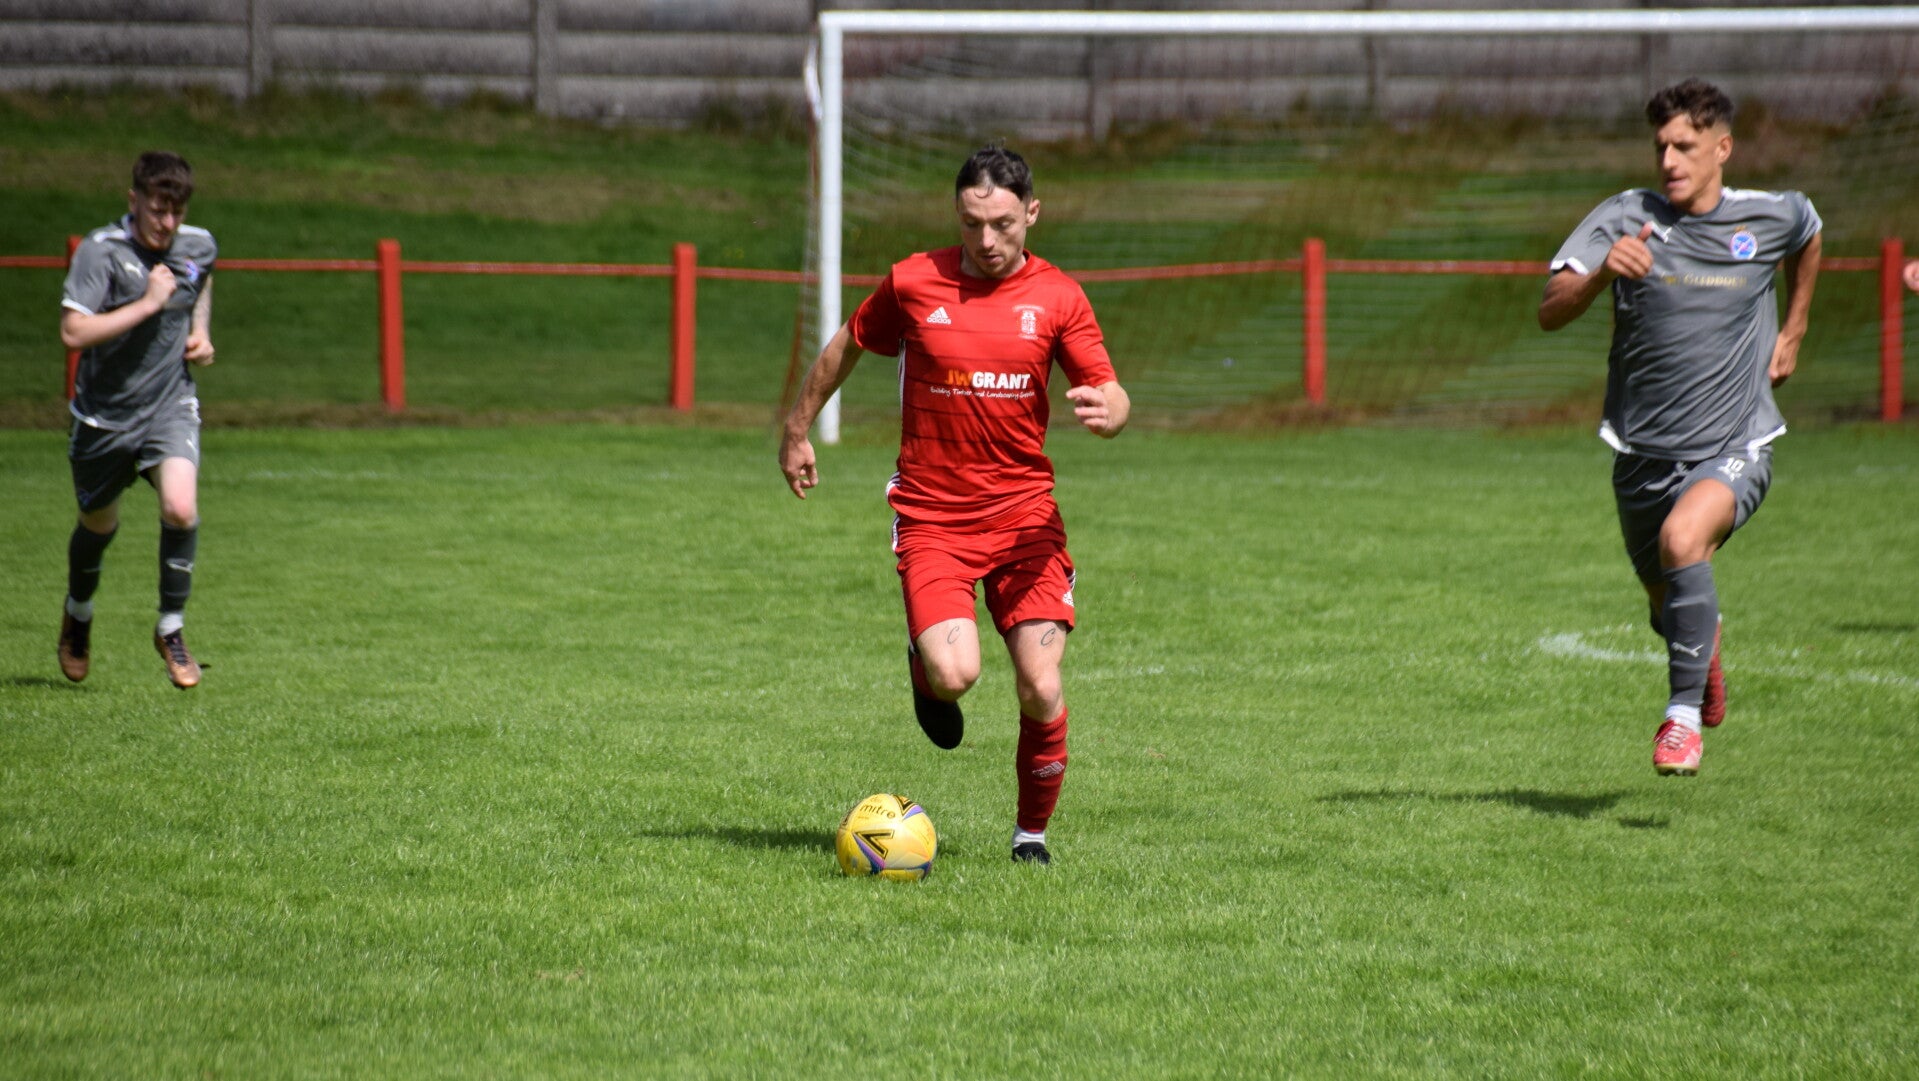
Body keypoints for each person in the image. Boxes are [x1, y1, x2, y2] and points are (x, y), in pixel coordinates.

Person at [779, 146, 1131, 864]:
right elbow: (847, 344)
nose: (986, 239)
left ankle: (1030, 837)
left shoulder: (1059, 297)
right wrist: (796, 428)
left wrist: (1111, 413)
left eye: (1002, 223)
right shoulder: (914, 281)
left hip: (1025, 521)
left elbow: (1111, 387)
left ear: (1032, 213)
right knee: (955, 675)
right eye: (972, 223)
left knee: (1040, 683)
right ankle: (925, 667)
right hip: (934, 518)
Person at [1539, 79, 1821, 776]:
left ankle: (1681, 722)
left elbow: (1808, 233)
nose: (1668, 160)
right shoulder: (1624, 216)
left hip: (1735, 442)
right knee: (1669, 607)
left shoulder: (1766, 216)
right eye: (1661, 146)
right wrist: (1602, 273)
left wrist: (1793, 329)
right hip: (1640, 453)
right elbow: (1549, 309)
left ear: (1722, 148)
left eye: (1685, 146)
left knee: (1682, 541)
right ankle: (1702, 649)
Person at [57, 151, 219, 689]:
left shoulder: (198, 244)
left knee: (180, 507)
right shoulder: (101, 251)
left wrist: (200, 332)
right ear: (134, 201)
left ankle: (170, 627)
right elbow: (73, 333)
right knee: (98, 525)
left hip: (169, 404)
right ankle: (78, 612)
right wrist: (148, 304)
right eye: (157, 211)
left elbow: (201, 279)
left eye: (177, 212)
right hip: (104, 418)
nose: (167, 224)